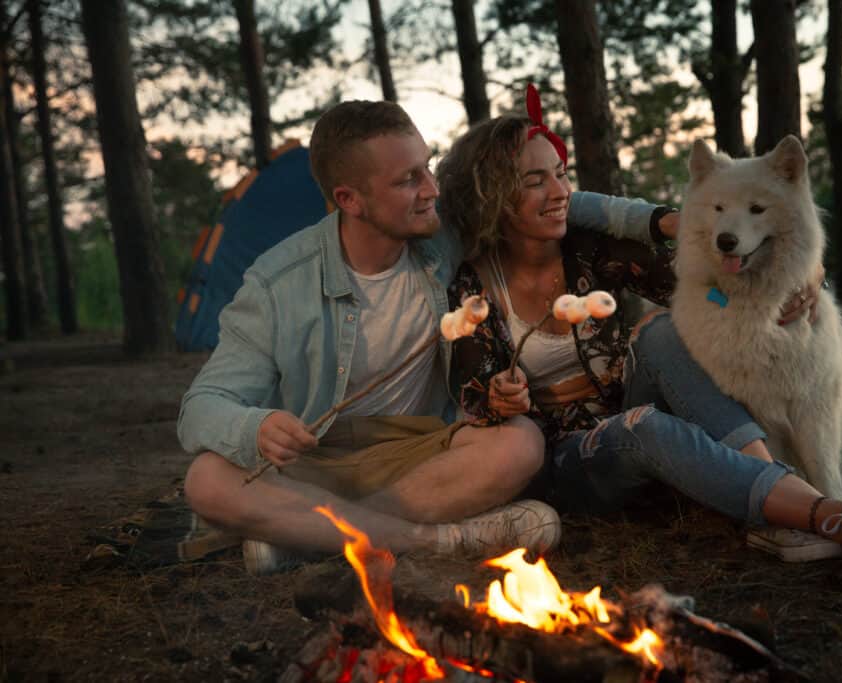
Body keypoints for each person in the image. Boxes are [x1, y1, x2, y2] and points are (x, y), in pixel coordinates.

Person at [439, 91, 842, 572]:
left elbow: (708, 270)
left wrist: (807, 270)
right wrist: (502, 397)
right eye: (535, 181)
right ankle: (831, 517)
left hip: (625, 411)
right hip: (568, 460)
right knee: (646, 426)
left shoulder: (588, 249)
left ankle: (779, 492)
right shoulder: (474, 284)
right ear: (496, 195)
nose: (560, 192)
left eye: (562, 175)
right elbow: (475, 395)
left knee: (663, 334)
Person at [177, 99, 674, 575]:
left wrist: (657, 219)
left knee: (521, 444)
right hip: (318, 457)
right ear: (349, 199)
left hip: (421, 452)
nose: (432, 188)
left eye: (428, 167)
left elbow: (548, 200)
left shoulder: (440, 235)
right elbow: (203, 404)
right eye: (408, 179)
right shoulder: (277, 283)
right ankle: (435, 540)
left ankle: (306, 538)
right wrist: (257, 427)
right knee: (207, 479)